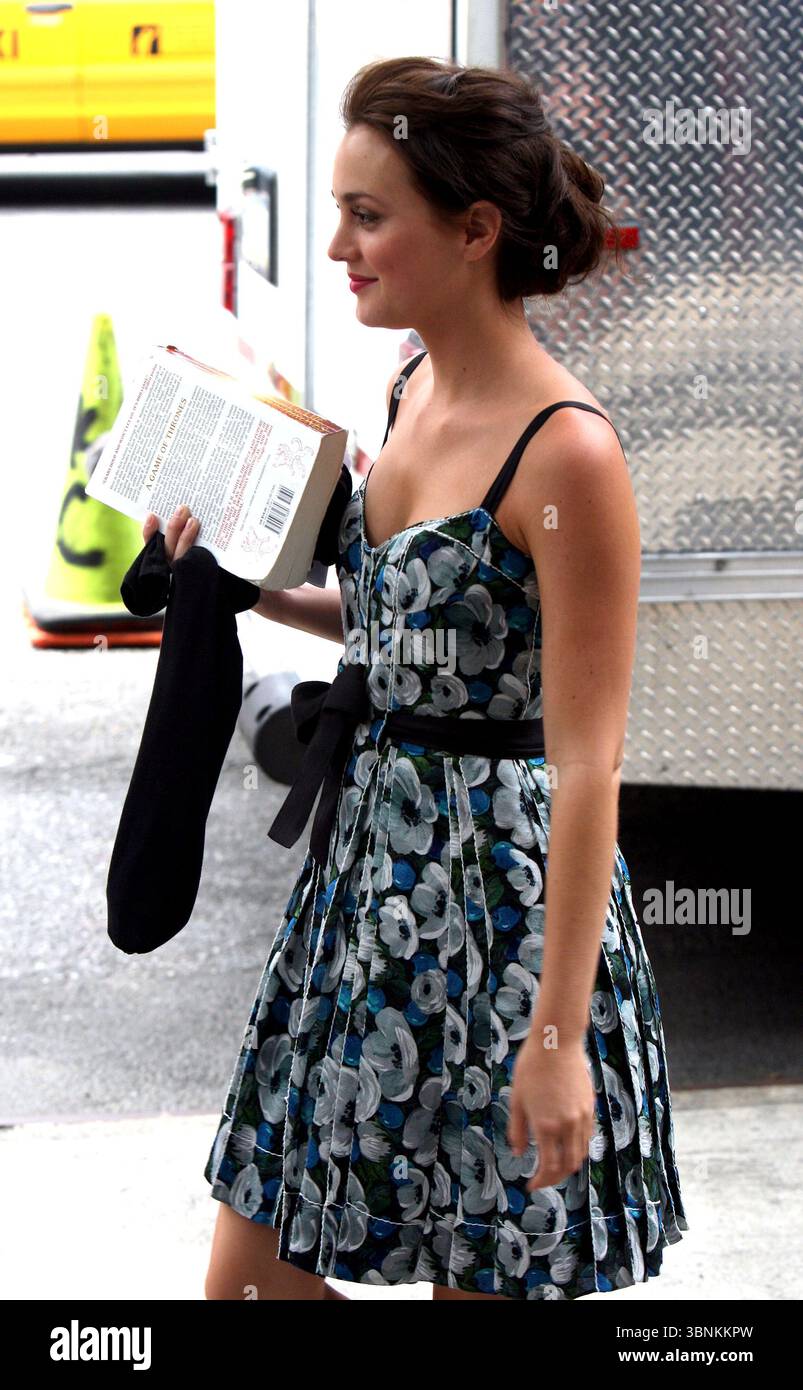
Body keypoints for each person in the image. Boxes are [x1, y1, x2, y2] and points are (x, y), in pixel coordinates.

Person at [152, 55, 688, 1301]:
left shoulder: (567, 454)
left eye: (366, 214)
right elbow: (394, 623)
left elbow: (588, 761)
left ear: (475, 230)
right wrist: (233, 581)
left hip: (502, 928)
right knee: (247, 1279)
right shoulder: (409, 384)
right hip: (361, 899)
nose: (335, 244)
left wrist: (556, 1037)